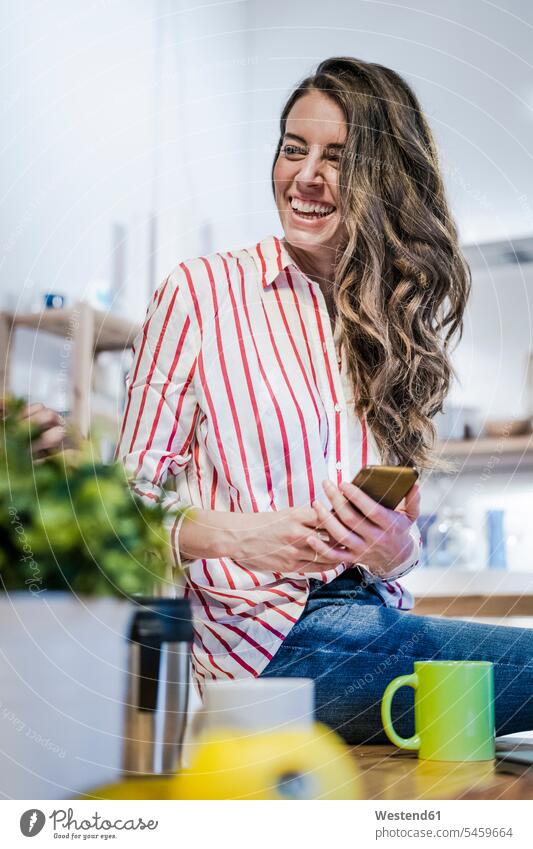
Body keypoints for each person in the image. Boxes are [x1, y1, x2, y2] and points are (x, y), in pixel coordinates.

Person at [118, 57, 533, 743]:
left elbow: (393, 554)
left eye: (336, 158)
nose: (305, 175)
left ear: (382, 179)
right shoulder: (199, 294)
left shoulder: (388, 321)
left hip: (372, 620)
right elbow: (124, 507)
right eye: (293, 148)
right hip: (271, 653)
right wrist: (240, 535)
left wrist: (393, 548)